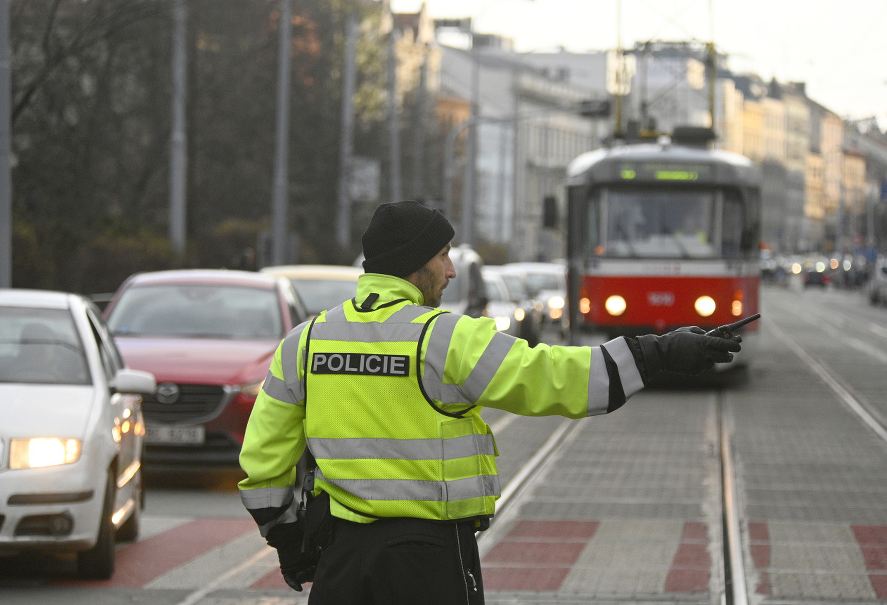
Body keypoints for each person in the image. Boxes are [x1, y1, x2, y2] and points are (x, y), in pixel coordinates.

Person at [238, 200, 741, 604]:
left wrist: (286, 538)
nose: (452, 270)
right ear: (415, 265)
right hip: (427, 560)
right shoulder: (443, 339)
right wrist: (658, 353)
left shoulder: (306, 342)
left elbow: (263, 460)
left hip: (341, 559)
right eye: (443, 256)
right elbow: (551, 378)